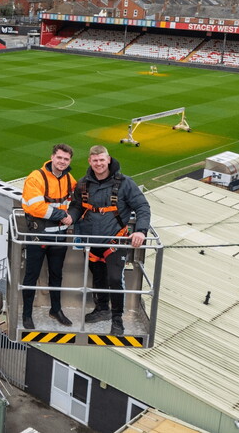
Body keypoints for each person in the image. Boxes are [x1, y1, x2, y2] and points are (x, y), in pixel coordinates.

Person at [68, 145, 150, 336]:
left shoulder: (125, 184)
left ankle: (117, 319)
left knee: (114, 279)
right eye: (95, 160)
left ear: (108, 160)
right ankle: (102, 309)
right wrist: (70, 217)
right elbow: (77, 206)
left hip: (115, 242)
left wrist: (141, 231)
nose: (98, 164)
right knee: (97, 277)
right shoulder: (83, 184)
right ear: (90, 161)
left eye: (102, 160)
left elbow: (142, 207)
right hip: (92, 240)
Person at [21, 143, 76, 330]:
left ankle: (56, 309)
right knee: (31, 275)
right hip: (38, 236)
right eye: (59, 157)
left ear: (70, 161)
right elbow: (35, 207)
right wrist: (63, 216)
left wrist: (73, 216)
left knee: (56, 275)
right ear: (52, 157)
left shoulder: (70, 179)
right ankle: (27, 314)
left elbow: (76, 201)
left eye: (66, 159)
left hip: (59, 237)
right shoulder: (35, 178)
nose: (62, 162)